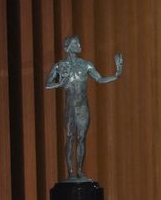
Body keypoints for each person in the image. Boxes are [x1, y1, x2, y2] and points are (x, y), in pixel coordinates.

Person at [45, 35, 123, 180]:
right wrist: (59, 84)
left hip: (82, 107)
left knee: (81, 138)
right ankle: (70, 172)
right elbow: (47, 84)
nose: (79, 45)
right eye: (76, 43)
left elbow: (99, 79)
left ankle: (80, 170)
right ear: (67, 47)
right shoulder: (59, 66)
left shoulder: (86, 65)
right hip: (69, 107)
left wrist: (116, 75)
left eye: (79, 42)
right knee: (69, 137)